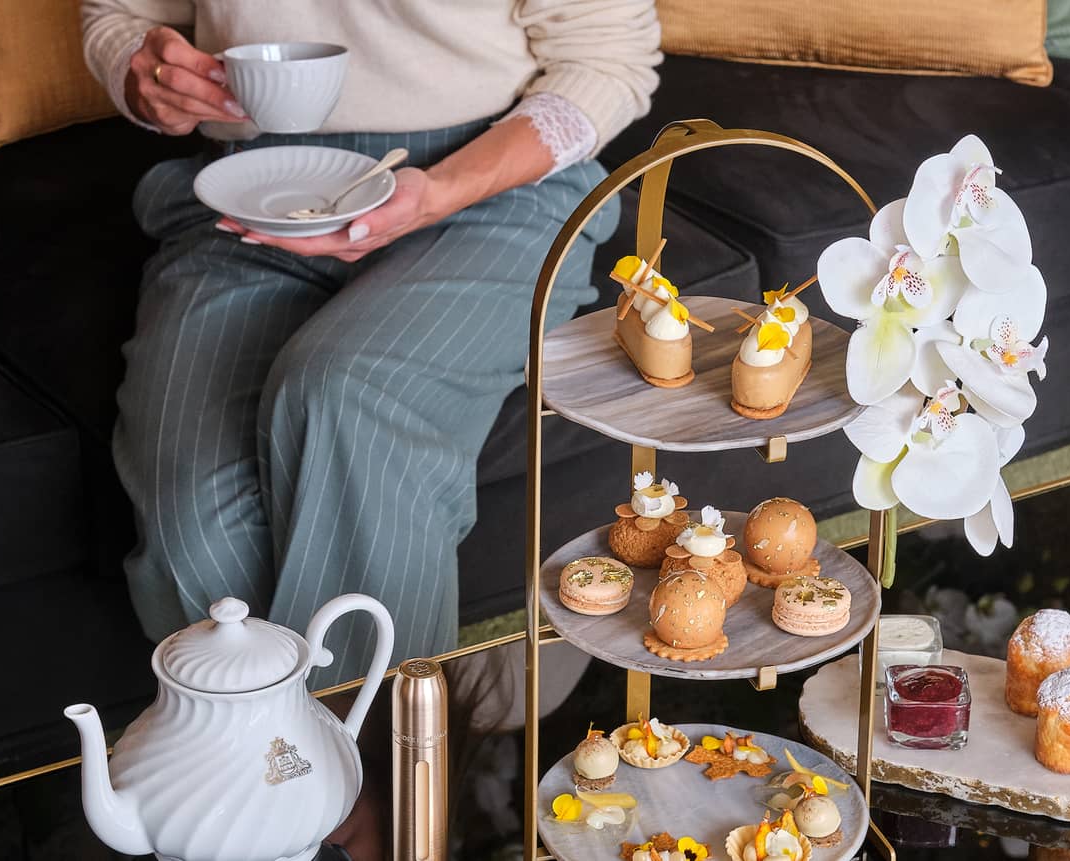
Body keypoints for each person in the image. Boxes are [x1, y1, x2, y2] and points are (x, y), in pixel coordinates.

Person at [81, 0, 661, 689]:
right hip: (255, 196)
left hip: (493, 187)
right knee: (195, 526)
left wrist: (442, 190)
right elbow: (116, 14)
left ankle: (381, 781)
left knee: (349, 393)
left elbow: (607, 62)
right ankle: (284, 778)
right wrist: (140, 74)